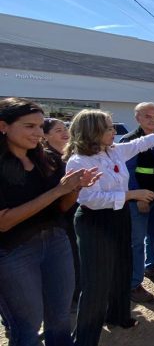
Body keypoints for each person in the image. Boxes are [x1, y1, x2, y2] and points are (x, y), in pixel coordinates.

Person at [0, 98, 99, 346]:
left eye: (39, 126)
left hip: (55, 242)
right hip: (14, 252)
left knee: (58, 318)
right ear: (3, 127)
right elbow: (4, 221)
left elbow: (61, 208)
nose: (37, 133)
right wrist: (58, 191)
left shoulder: (47, 161)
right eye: (29, 126)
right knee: (25, 329)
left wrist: (75, 190)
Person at [65, 109, 154, 346]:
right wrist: (131, 195)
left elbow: (143, 142)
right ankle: (85, 342)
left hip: (118, 217)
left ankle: (119, 316)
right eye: (108, 127)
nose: (113, 131)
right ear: (93, 131)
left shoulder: (113, 151)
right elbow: (90, 199)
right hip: (95, 222)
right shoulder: (79, 161)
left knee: (122, 268)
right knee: (96, 283)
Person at [121, 103, 154, 303]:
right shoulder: (129, 140)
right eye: (148, 116)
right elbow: (128, 172)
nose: (153, 120)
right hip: (139, 199)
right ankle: (133, 284)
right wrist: (138, 196)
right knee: (137, 241)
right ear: (137, 118)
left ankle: (151, 266)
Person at [43, 118, 81, 305]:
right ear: (46, 135)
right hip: (61, 217)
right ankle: (73, 298)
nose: (65, 132)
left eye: (65, 128)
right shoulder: (48, 159)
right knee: (70, 258)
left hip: (72, 213)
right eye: (58, 130)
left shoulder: (67, 156)